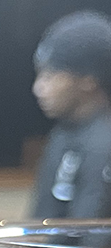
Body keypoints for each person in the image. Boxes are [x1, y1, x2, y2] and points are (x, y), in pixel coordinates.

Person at [31, 11, 111, 220]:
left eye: (50, 76)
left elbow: (91, 242)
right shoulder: (64, 135)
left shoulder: (103, 145)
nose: (38, 88)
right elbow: (45, 224)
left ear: (88, 79)